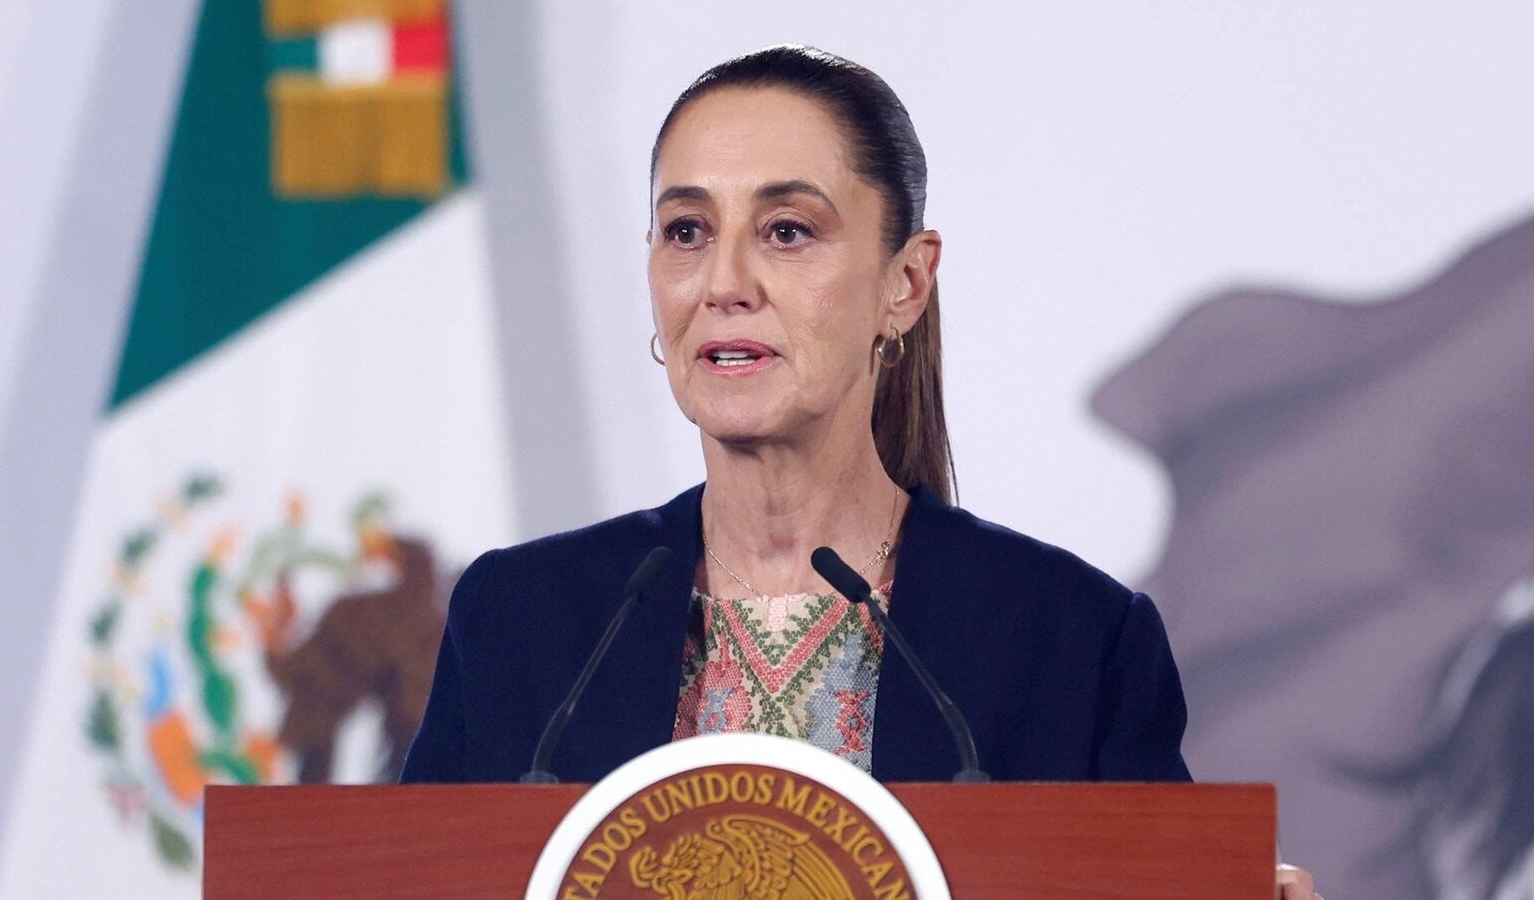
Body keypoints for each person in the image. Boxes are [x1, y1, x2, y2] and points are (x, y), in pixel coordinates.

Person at [400, 44, 1319, 900]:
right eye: (686, 230)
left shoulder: (1071, 638)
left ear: (904, 285)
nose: (724, 282)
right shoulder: (519, 620)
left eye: (787, 230)